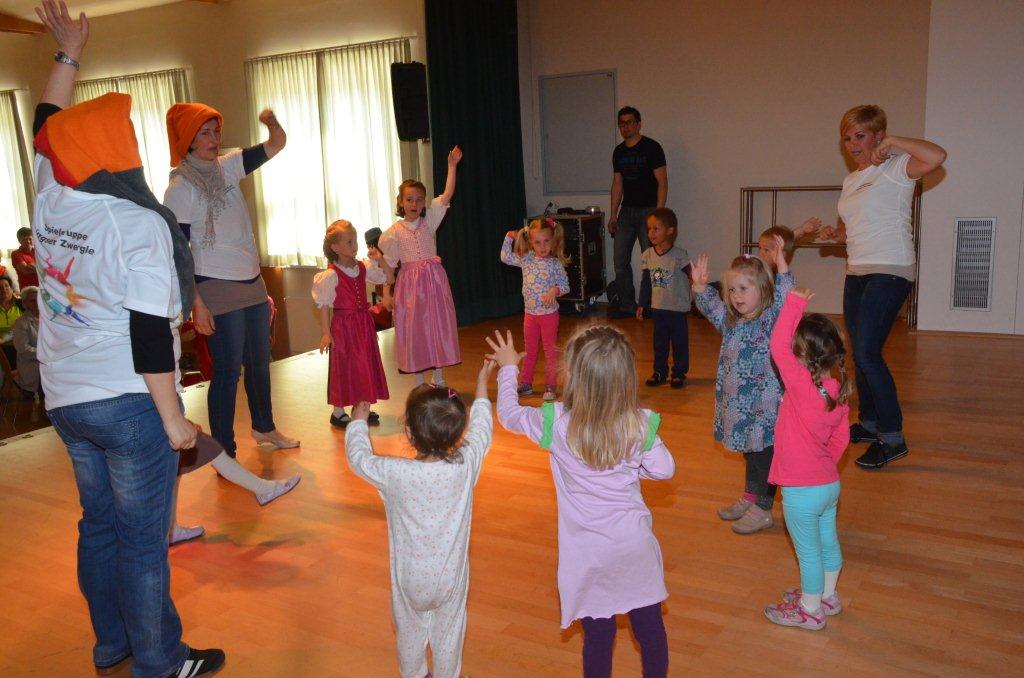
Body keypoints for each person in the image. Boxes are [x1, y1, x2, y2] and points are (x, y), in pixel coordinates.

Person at [30, 2, 223, 675]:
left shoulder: (50, 194)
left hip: (66, 400)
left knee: (99, 526)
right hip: (130, 401)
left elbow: (45, 126)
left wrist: (68, 54)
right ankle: (161, 662)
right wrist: (174, 420)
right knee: (143, 541)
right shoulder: (137, 224)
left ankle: (111, 643)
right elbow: (148, 333)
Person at [490, 326, 673, 677]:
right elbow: (665, 470)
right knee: (650, 631)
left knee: (598, 638)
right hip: (634, 547)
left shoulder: (554, 422)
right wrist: (633, 470)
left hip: (587, 555)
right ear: (626, 378)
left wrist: (510, 367)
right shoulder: (640, 424)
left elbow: (509, 414)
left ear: (572, 375)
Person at [163, 101, 299, 456]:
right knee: (227, 371)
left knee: (259, 363)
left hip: (251, 280)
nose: (214, 139)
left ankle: (264, 427)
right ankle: (224, 450)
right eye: (204, 133)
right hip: (214, 285)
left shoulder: (228, 165)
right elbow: (179, 252)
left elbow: (277, 143)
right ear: (188, 139)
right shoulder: (179, 188)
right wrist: (196, 303)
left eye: (216, 131)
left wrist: (272, 122)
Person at [344, 362, 495, 678]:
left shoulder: (395, 473)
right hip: (450, 579)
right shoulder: (464, 466)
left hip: (409, 581)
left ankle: (414, 674)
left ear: (409, 433)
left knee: (409, 632)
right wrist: (482, 380)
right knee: (449, 633)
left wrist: (358, 422)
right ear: (458, 430)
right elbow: (482, 429)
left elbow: (359, 458)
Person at [819, 105, 946, 470]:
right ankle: (870, 423)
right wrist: (837, 234)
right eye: (847, 138)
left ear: (878, 135)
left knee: (869, 353)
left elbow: (937, 156)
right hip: (857, 271)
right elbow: (856, 227)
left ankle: (892, 438)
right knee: (859, 352)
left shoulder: (896, 168)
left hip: (890, 270)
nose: (852, 144)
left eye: (860, 136)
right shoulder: (851, 180)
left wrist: (894, 143)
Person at [691, 240, 794, 535]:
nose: (736, 296)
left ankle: (763, 508)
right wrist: (700, 286)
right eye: (732, 289)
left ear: (763, 289)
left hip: (764, 408)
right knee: (750, 453)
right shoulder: (731, 321)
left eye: (744, 289)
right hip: (737, 406)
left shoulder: (770, 320)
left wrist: (782, 268)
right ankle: (750, 496)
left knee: (765, 455)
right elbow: (711, 306)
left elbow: (785, 298)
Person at [763, 287, 851, 630]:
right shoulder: (837, 391)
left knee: (808, 552)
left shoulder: (801, 386)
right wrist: (822, 463)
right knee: (827, 541)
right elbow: (841, 439)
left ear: (803, 355)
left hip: (801, 490)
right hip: (828, 483)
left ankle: (811, 610)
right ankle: (828, 595)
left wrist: (794, 304)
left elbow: (777, 346)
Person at [378, 146, 463, 386]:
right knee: (415, 329)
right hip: (410, 288)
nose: (414, 204)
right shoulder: (393, 233)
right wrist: (387, 293)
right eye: (409, 199)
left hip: (434, 283)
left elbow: (447, 195)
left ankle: (438, 375)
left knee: (437, 325)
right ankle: (418, 379)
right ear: (401, 202)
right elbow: (388, 266)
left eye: (418, 199)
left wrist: (452, 166)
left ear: (424, 202)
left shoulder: (429, 221)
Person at [313, 220, 392, 427]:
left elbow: (389, 278)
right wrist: (326, 333)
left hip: (363, 325)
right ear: (335, 247)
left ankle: (362, 405)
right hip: (344, 327)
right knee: (344, 365)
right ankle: (338, 412)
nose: (355, 246)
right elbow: (324, 305)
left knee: (363, 364)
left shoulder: (362, 268)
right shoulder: (331, 275)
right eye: (349, 242)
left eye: (355, 241)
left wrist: (381, 260)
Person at [500, 217, 570, 401]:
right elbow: (505, 257)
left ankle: (551, 385)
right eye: (537, 242)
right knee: (529, 350)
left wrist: (554, 290)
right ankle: (526, 383)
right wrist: (508, 237)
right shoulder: (527, 259)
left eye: (546, 241)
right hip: (530, 315)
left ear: (553, 240)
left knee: (550, 351)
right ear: (531, 243)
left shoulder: (555, 264)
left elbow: (565, 286)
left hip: (549, 316)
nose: (543, 246)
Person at [608, 106, 667, 317]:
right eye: (622, 123)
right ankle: (627, 305)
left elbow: (662, 182)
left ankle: (650, 305)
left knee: (651, 261)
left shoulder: (652, 148)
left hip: (649, 211)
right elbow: (617, 184)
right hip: (626, 212)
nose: (625, 127)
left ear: (638, 124)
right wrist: (613, 214)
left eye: (629, 122)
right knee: (620, 261)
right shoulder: (618, 152)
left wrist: (659, 216)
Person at [635, 207, 691, 389]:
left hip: (677, 309)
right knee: (659, 343)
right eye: (649, 229)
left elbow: (692, 276)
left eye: (656, 228)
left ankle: (679, 373)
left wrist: (699, 290)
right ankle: (659, 372)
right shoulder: (648, 255)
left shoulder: (680, 255)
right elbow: (646, 282)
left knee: (679, 343)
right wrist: (642, 304)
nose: (651, 233)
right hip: (658, 308)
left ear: (670, 230)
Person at [756, 218, 822, 273]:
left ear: (781, 254)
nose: (760, 254)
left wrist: (802, 229)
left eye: (766, 250)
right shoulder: (756, 269)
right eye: (760, 248)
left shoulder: (780, 275)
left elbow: (784, 242)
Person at [12, 285, 40, 396]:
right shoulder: (20, 323)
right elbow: (23, 350)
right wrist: (47, 353)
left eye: (39, 299)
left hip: (51, 364)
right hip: (32, 370)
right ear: (24, 303)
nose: (37, 303)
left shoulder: (49, 319)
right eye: (32, 301)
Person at [0, 274, 21, 370]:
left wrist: (3, 339)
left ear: (12, 288)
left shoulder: (22, 305)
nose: (4, 290)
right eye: (0, 288)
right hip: (1, 350)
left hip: (21, 347)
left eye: (6, 286)